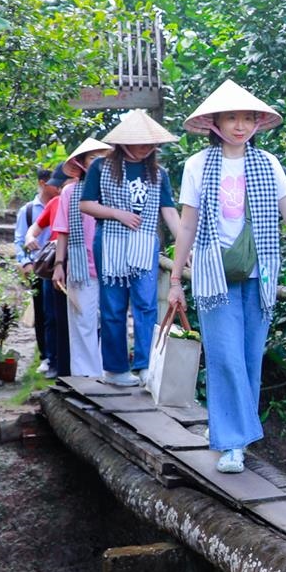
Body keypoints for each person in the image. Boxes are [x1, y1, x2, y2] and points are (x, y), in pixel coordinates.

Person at [168, 80, 286, 473]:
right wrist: (174, 282)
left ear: (257, 123)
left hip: (260, 273)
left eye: (247, 117)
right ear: (215, 122)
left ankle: (229, 432)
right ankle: (233, 442)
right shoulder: (197, 165)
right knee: (226, 357)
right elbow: (187, 225)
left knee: (250, 356)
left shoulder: (268, 164)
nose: (240, 125)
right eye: (231, 117)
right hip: (212, 273)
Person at [80, 110, 183, 387]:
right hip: (110, 242)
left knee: (146, 304)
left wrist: (187, 246)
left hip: (144, 244)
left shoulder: (159, 174)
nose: (146, 148)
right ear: (124, 141)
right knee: (112, 306)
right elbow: (86, 204)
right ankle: (115, 369)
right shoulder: (100, 167)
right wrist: (117, 213)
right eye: (140, 143)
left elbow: (170, 212)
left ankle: (145, 366)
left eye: (150, 144)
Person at [48, 137, 112, 378]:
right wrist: (58, 265)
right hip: (80, 267)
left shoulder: (114, 189)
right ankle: (87, 377)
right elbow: (62, 230)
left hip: (112, 266)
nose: (99, 163)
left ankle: (109, 372)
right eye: (93, 158)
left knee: (111, 321)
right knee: (82, 322)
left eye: (103, 159)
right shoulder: (70, 192)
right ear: (83, 163)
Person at [15, 168, 57, 371]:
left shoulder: (62, 203)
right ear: (42, 183)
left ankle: (57, 354)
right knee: (42, 312)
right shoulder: (29, 210)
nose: (57, 186)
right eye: (53, 182)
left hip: (58, 264)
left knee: (55, 312)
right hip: (39, 266)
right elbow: (20, 238)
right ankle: (46, 355)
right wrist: (25, 262)